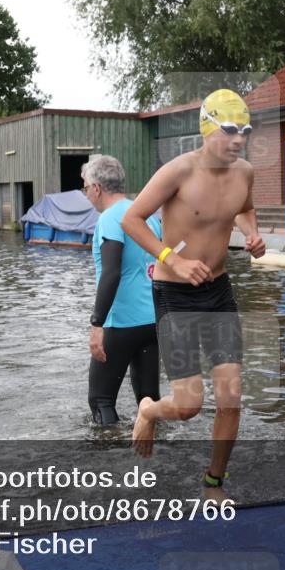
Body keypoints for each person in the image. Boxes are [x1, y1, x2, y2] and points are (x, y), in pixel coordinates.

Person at [121, 88, 266, 496]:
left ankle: (213, 481)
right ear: (208, 129)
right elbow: (132, 219)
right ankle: (149, 409)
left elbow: (244, 208)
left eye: (245, 131)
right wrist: (174, 259)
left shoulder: (245, 173)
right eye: (230, 130)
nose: (238, 139)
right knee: (188, 406)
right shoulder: (178, 172)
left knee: (231, 396)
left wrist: (252, 234)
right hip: (175, 293)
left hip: (219, 291)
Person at [83, 155, 163, 424]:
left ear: (96, 188)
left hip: (120, 325)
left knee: (101, 401)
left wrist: (97, 324)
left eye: (85, 188)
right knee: (149, 400)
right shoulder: (147, 216)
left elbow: (111, 272)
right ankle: (152, 455)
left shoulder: (109, 219)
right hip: (152, 322)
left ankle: (110, 460)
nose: (86, 194)